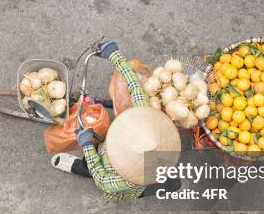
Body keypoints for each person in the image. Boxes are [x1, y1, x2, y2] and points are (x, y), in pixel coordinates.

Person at [51, 41, 182, 201]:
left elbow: (102, 179)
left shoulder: (125, 178)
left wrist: (86, 146)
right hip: (149, 164)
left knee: (93, 166)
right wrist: (114, 55)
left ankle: (81, 168)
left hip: (126, 185)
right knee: (170, 179)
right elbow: (134, 85)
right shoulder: (145, 116)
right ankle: (170, 184)